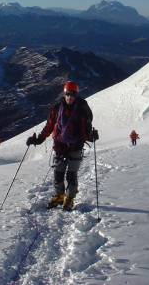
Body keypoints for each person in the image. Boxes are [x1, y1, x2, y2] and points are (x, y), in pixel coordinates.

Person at [26, 81, 97, 211]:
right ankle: (59, 196)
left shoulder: (82, 109)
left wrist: (91, 136)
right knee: (58, 173)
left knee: (71, 174)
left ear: (76, 94)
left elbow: (86, 128)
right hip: (60, 146)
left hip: (76, 146)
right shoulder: (57, 109)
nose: (70, 97)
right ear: (64, 94)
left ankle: (69, 198)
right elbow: (49, 126)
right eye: (68, 94)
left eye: (73, 94)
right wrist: (38, 140)